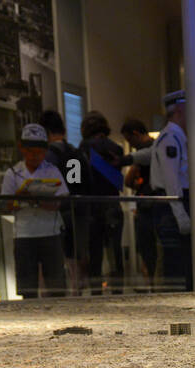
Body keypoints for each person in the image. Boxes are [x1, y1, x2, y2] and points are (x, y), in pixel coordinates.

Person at [1, 123, 69, 298]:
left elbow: (60, 202)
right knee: (27, 287)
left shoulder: (52, 170)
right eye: (30, 151)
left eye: (39, 152)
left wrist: (36, 201)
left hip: (50, 232)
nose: (34, 156)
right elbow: (6, 204)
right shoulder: (13, 173)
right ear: (22, 148)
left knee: (56, 285)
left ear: (45, 151)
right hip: (24, 234)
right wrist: (20, 197)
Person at [42, 110, 89, 294]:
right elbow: (79, 182)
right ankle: (78, 290)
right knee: (77, 254)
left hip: (59, 212)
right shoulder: (75, 152)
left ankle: (63, 294)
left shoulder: (50, 155)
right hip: (78, 210)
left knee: (59, 256)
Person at [79, 110, 125, 295]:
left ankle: (96, 296)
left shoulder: (82, 149)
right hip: (113, 204)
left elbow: (75, 180)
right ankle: (118, 293)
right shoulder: (116, 149)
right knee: (115, 253)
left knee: (95, 255)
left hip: (92, 207)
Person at [152, 90, 192, 291]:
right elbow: (171, 181)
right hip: (173, 207)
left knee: (182, 263)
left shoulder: (177, 136)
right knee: (175, 265)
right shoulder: (170, 138)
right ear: (178, 110)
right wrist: (181, 215)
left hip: (177, 204)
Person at [121, 117, 159, 291]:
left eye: (130, 140)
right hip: (148, 205)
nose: (132, 145)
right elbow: (130, 181)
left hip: (151, 206)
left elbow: (129, 180)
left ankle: (152, 285)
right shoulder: (154, 147)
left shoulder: (151, 149)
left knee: (149, 249)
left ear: (135, 134)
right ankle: (153, 285)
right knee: (149, 249)